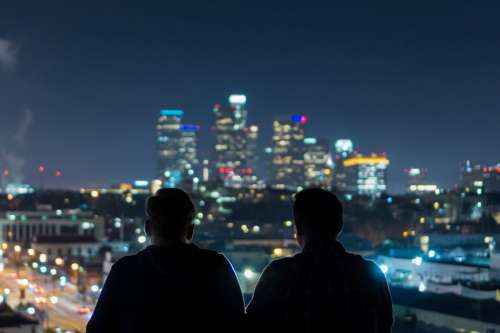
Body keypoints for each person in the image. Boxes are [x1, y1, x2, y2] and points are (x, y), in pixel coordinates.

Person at [87, 188, 245, 333]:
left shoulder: (125, 270)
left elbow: (98, 328)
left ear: (148, 228)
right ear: (190, 230)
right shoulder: (216, 267)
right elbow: (238, 324)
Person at [246, 188, 393, 333]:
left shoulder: (279, 274)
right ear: (339, 226)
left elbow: (254, 325)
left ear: (298, 227)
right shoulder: (370, 275)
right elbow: (384, 325)